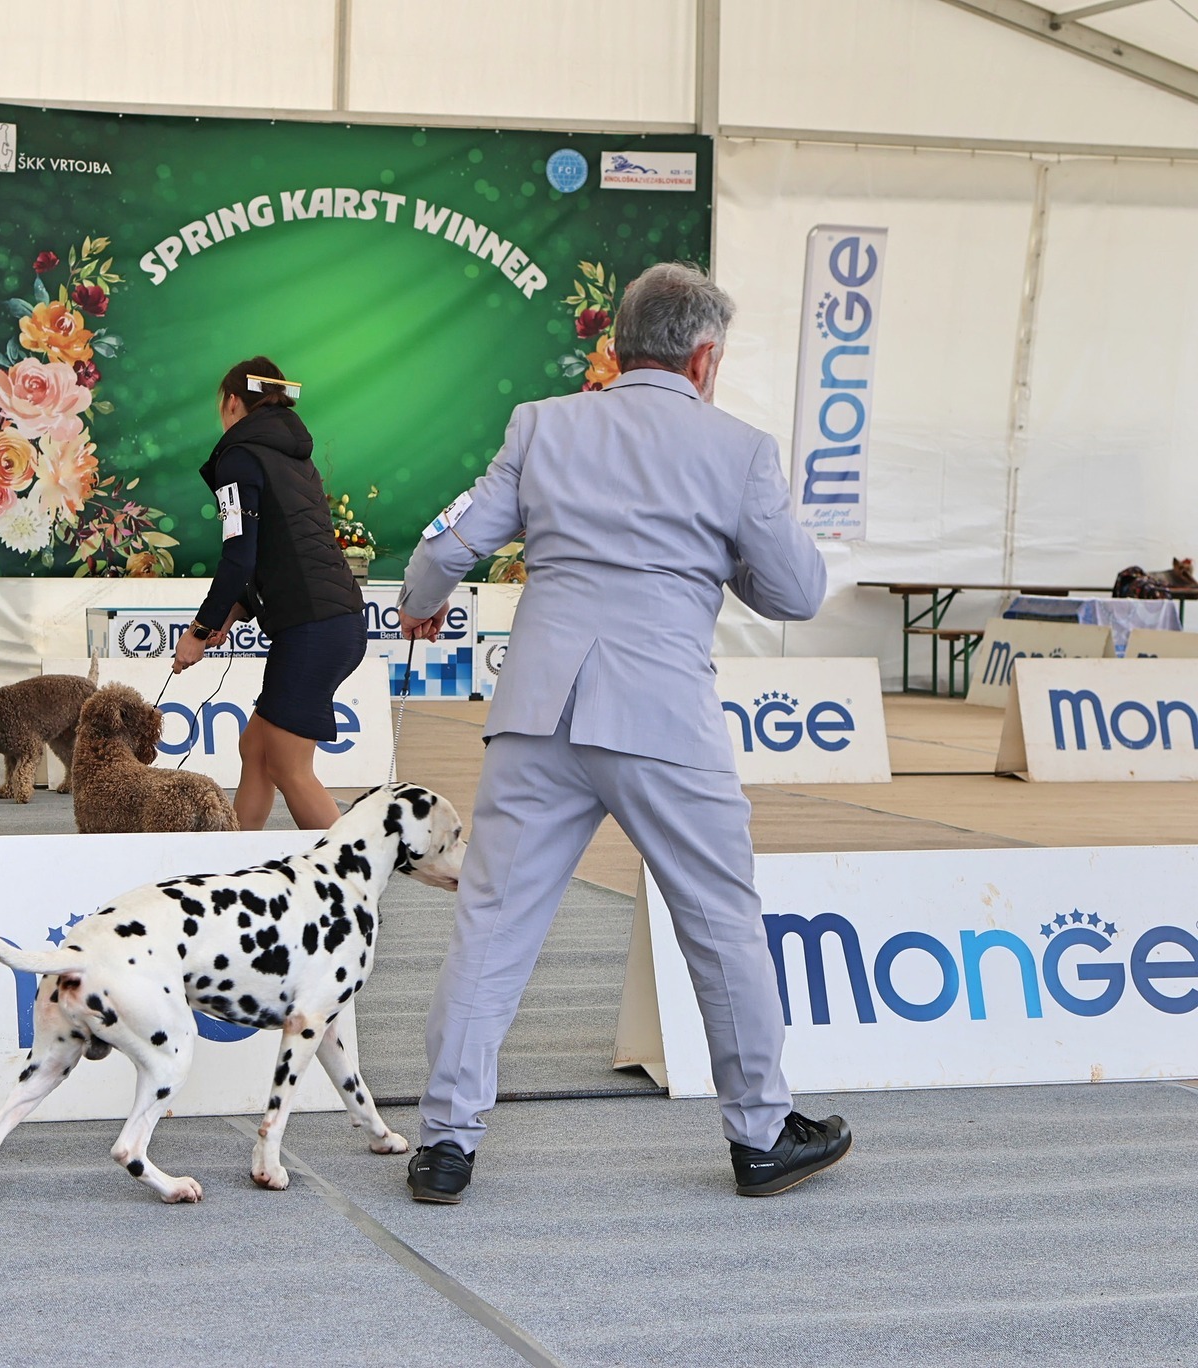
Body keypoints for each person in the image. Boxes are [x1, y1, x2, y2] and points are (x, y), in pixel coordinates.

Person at [394, 262, 848, 1204]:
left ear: (617, 344)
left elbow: (449, 543)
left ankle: (445, 1143)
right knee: (721, 924)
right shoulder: (740, 449)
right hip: (662, 719)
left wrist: (420, 603)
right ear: (705, 355)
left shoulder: (543, 424)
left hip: (537, 712)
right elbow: (798, 592)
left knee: (493, 925)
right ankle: (762, 1134)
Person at [171, 357, 364, 830]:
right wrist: (232, 613)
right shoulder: (293, 454)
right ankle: (235, 867)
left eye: (223, 403)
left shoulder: (239, 455)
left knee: (287, 765)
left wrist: (198, 630)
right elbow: (277, 550)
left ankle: (351, 882)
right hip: (336, 619)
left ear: (233, 401)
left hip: (313, 626)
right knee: (255, 749)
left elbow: (239, 556)